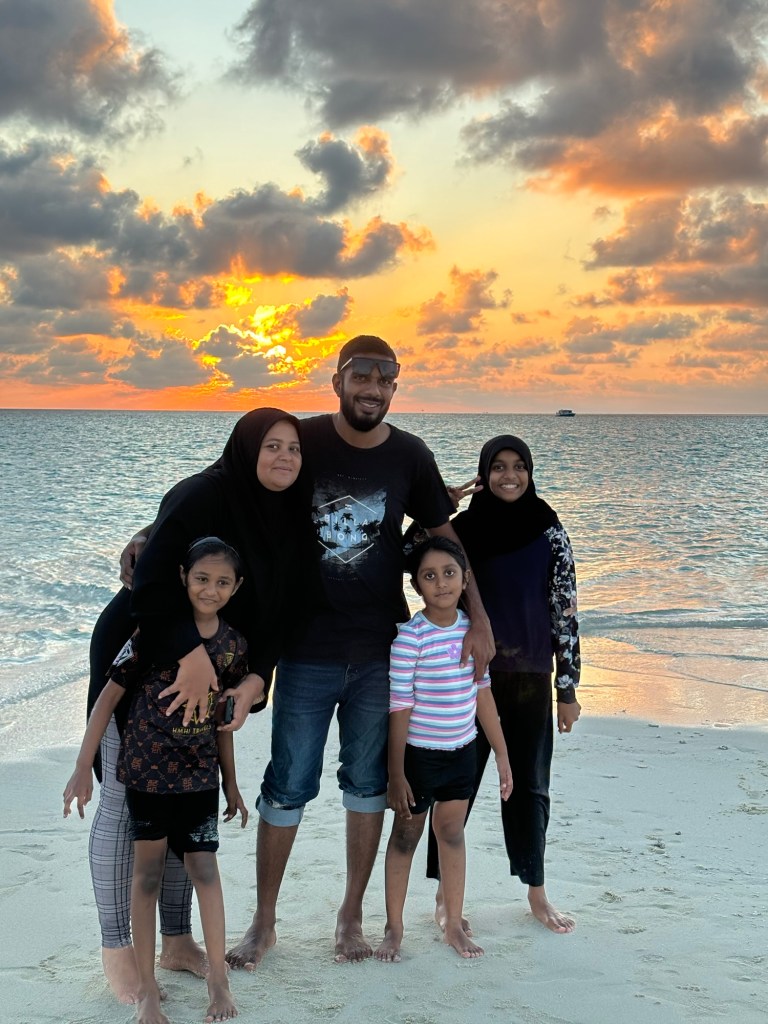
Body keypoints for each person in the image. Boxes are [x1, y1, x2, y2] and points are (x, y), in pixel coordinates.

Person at [129, 337, 496, 967]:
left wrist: (478, 617)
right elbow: (225, 484)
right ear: (337, 381)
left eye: (386, 378)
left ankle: (350, 916)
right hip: (304, 649)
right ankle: (263, 923)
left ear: (394, 387)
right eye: (362, 376)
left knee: (366, 785)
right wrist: (149, 533)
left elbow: (446, 536)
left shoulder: (410, 455)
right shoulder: (300, 440)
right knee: (288, 783)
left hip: (380, 650)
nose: (373, 389)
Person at [86, 408, 309, 1003]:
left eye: (294, 448)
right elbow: (152, 579)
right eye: (271, 446)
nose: (284, 457)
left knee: (184, 796)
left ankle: (178, 939)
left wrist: (256, 678)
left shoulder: (290, 512)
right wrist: (190, 654)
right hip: (142, 656)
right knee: (125, 804)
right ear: (246, 448)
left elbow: (281, 612)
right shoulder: (201, 494)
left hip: (217, 665)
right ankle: (118, 950)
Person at [65, 537, 251, 1024]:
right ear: (183, 578)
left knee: (206, 870)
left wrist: (231, 783)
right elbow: (107, 698)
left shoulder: (233, 646)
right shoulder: (155, 633)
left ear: (236, 588)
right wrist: (83, 766)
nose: (210, 590)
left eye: (222, 582)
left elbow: (223, 721)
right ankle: (147, 991)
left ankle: (218, 981)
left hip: (199, 778)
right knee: (145, 877)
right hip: (146, 777)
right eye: (201, 579)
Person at [425, 434, 581, 934]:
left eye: (518, 466)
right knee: (456, 786)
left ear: (530, 472)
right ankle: (444, 897)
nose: (509, 475)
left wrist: (568, 688)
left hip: (531, 674)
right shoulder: (462, 530)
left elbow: (564, 608)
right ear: (483, 473)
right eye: (498, 467)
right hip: (466, 675)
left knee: (531, 786)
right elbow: (412, 555)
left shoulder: (549, 529)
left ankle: (536, 891)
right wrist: (440, 506)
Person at [375, 537, 512, 963]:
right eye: (429, 576)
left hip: (462, 754)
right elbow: (399, 708)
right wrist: (396, 773)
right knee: (405, 837)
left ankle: (452, 923)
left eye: (449, 573)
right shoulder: (410, 639)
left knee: (452, 834)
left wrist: (502, 754)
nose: (441, 583)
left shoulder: (473, 633)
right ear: (417, 585)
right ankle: (394, 927)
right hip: (419, 757)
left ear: (465, 579)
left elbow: (483, 695)